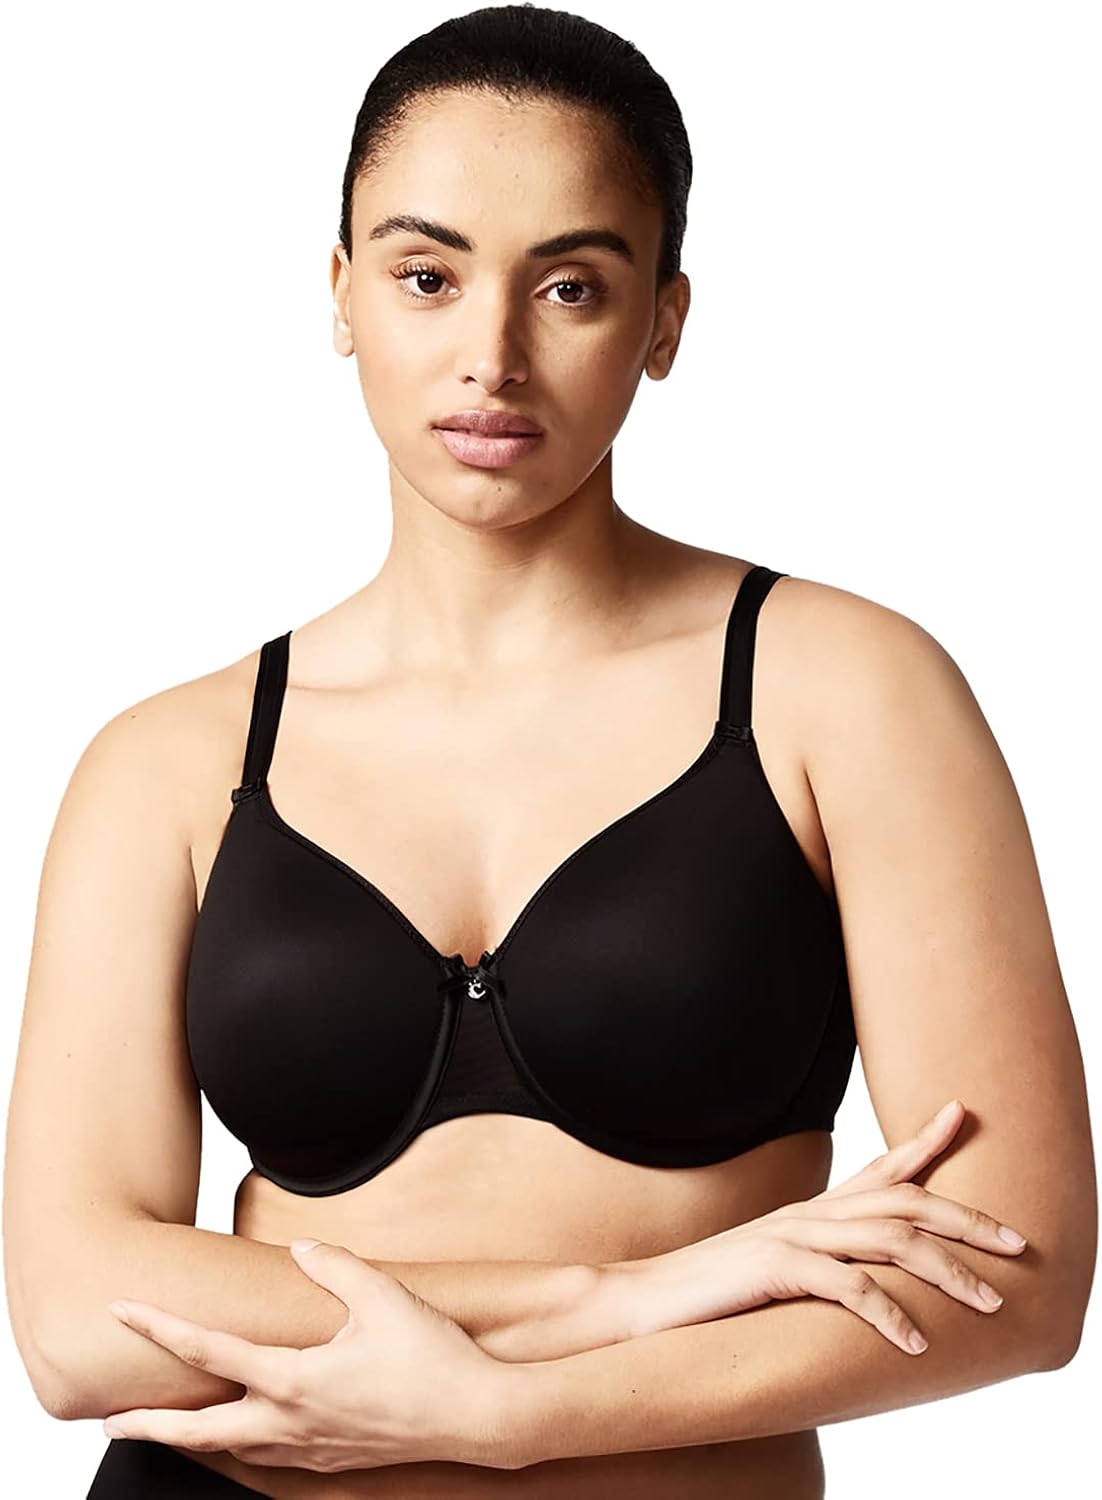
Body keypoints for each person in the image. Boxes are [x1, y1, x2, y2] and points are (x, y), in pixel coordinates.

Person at [5, 6, 1091, 1497]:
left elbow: (1019, 1282)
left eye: (571, 286)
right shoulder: (167, 765)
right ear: (340, 293)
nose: (491, 357)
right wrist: (616, 1301)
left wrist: (511, 1417)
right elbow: (74, 1323)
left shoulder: (843, 693)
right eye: (426, 276)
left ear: (665, 321)